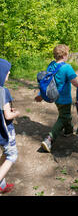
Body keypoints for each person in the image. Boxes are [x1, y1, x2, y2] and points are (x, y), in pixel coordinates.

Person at [35, 44, 78, 153]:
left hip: (54, 98)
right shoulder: (67, 67)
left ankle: (69, 131)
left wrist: (41, 95)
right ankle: (49, 139)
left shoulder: (51, 66)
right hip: (64, 99)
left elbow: (47, 81)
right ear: (64, 55)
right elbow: (75, 83)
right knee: (63, 117)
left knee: (65, 115)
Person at [0, 58, 20, 194]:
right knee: (12, 155)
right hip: (4, 131)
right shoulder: (3, 91)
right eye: (7, 71)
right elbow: (7, 115)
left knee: (2, 155)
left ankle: (2, 185)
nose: (9, 73)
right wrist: (16, 113)